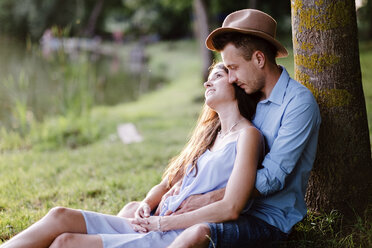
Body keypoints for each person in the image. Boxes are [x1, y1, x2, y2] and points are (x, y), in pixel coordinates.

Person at [0, 62, 264, 248]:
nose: (208, 81)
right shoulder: (209, 136)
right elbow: (168, 184)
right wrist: (147, 205)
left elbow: (230, 208)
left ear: (236, 84)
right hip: (155, 220)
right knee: (59, 216)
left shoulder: (248, 136)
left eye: (217, 76)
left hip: (174, 231)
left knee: (64, 243)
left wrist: (161, 224)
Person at [164, 9, 322, 248]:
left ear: (259, 59)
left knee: (197, 232)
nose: (230, 78)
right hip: (224, 207)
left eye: (234, 68)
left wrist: (209, 198)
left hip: (266, 219)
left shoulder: (298, 104)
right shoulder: (248, 98)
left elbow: (272, 178)